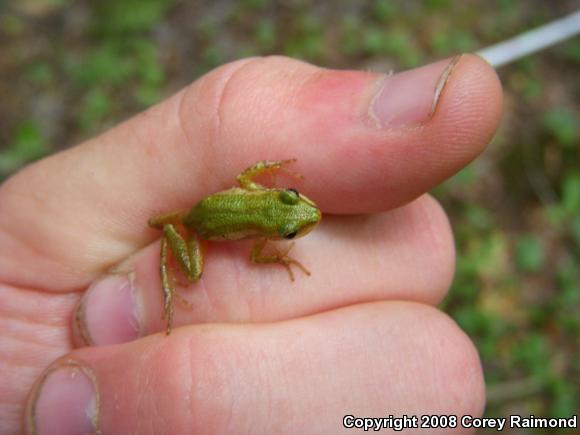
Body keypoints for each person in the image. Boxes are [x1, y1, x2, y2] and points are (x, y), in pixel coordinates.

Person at [0, 54, 502, 434]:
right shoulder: (263, 234)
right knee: (192, 275)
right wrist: (278, 255)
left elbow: (245, 176)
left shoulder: (263, 197)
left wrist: (273, 187)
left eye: (291, 213)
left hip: (208, 212)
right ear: (276, 206)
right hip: (194, 226)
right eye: (291, 219)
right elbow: (257, 246)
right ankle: (168, 286)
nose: (303, 210)